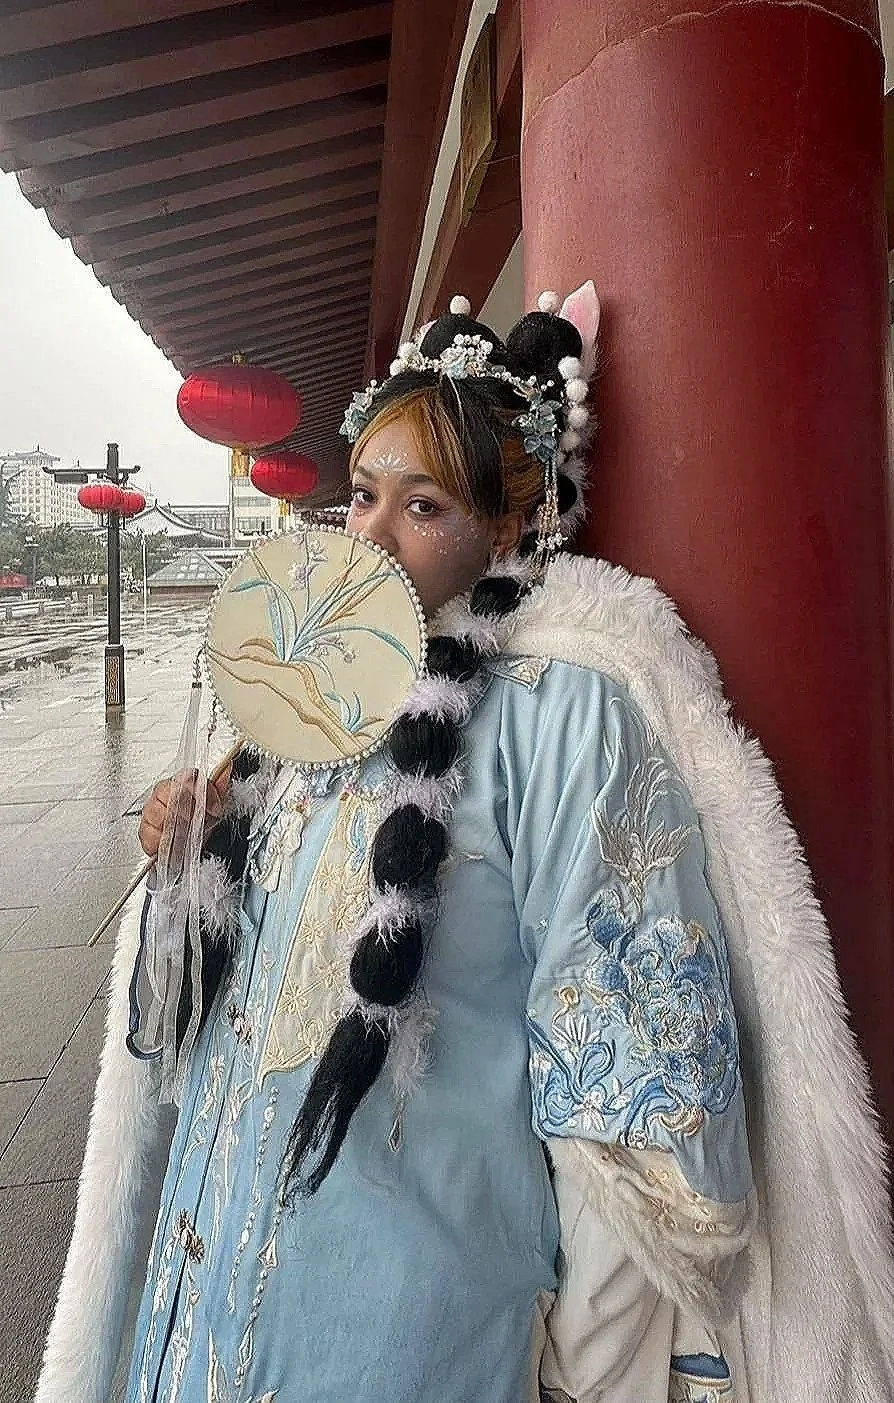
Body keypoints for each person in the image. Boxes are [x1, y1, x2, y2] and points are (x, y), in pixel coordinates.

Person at [35, 292, 893, 1403]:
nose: (374, 534)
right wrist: (188, 864)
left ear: (506, 525)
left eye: (424, 503)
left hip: (414, 1342)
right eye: (362, 497)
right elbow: (204, 1011)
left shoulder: (562, 719)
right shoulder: (303, 690)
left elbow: (631, 1120)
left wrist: (581, 1372)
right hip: (195, 1312)